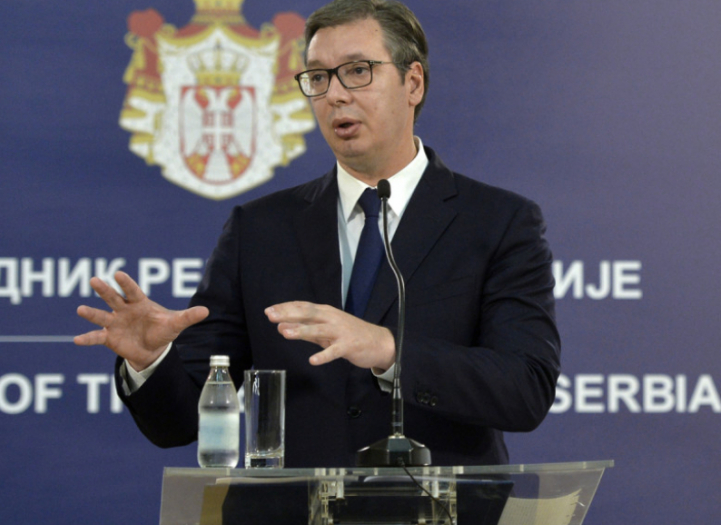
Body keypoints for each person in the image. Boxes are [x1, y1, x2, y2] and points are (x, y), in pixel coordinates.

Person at [75, 0, 560, 467]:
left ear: (412, 82)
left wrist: (388, 349)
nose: (335, 95)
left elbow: (525, 390)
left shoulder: (498, 221)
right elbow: (178, 422)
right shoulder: (259, 229)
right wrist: (151, 360)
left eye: (357, 71)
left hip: (438, 505)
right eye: (319, 77)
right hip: (291, 507)